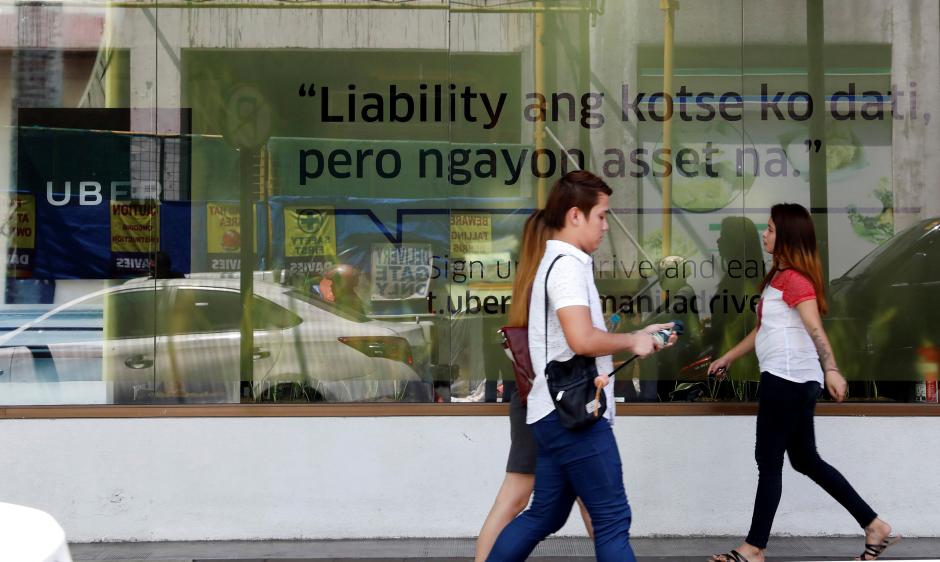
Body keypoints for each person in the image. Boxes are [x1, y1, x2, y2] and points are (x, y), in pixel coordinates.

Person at [487, 170, 674, 562]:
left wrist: (642, 337)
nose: (606, 226)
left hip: (552, 413)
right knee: (611, 518)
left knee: (544, 516)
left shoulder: (557, 261)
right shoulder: (568, 267)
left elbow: (578, 349)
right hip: (574, 417)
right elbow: (581, 340)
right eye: (602, 215)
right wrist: (632, 340)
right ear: (575, 215)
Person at [706, 204, 899, 562]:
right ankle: (874, 525)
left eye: (770, 229)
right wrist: (728, 357)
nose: (764, 235)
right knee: (805, 460)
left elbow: (815, 328)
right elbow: (765, 330)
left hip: (788, 380)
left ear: (787, 237)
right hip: (790, 379)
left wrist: (832, 368)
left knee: (769, 460)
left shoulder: (796, 280)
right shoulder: (778, 279)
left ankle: (754, 548)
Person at [474, 210, 594, 561]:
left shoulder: (532, 280)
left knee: (585, 503)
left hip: (536, 398)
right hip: (554, 401)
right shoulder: (557, 278)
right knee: (522, 497)